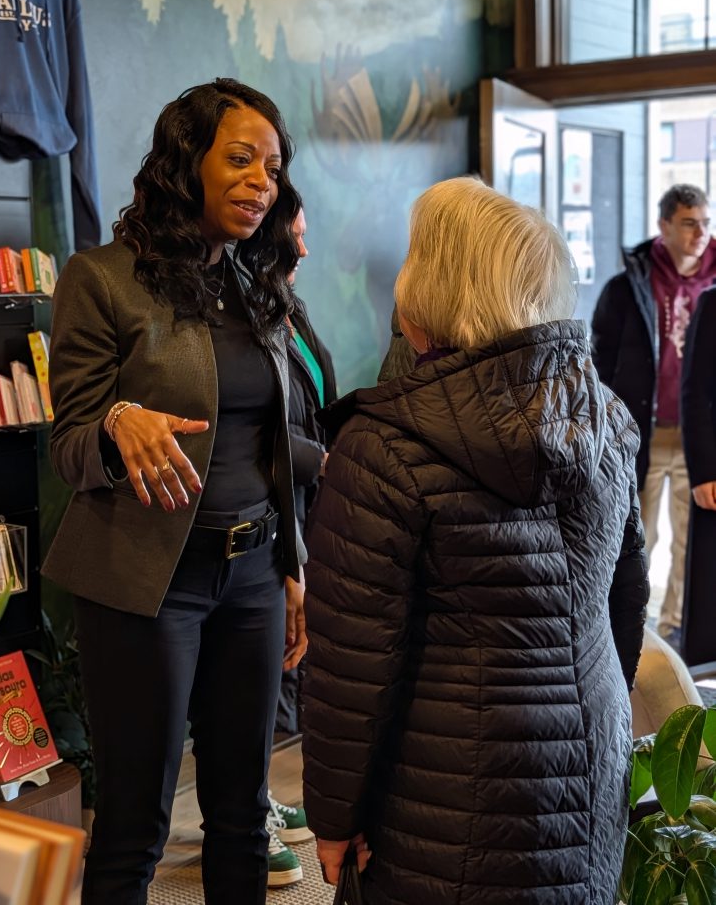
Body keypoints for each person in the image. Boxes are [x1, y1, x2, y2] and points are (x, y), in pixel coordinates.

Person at [301, 176, 649, 904]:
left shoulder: (384, 446)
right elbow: (624, 600)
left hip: (443, 787)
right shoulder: (607, 418)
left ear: (433, 283)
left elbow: (350, 669)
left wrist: (332, 817)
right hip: (589, 762)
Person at [42, 79, 308, 905]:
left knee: (242, 811)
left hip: (255, 576)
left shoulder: (258, 287)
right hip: (147, 582)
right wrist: (120, 422)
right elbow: (70, 446)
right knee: (137, 822)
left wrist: (293, 565)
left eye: (271, 166)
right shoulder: (100, 279)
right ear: (185, 161)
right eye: (239, 159)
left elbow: (271, 444)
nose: (260, 180)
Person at [591, 183, 715, 650]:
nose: (700, 232)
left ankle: (675, 635)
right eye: (689, 222)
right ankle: (634, 636)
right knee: (639, 536)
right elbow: (601, 358)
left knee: (692, 546)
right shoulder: (629, 285)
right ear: (664, 226)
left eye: (705, 221)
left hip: (698, 439)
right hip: (640, 433)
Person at [274, 207, 337, 738]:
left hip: (312, 505)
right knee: (278, 659)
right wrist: (318, 460)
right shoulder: (244, 317)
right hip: (274, 507)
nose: (306, 250)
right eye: (297, 236)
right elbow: (242, 426)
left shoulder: (291, 309)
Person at [680, 283, 716, 666]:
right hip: (715, 471)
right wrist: (704, 470)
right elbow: (694, 392)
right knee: (710, 588)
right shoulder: (712, 302)